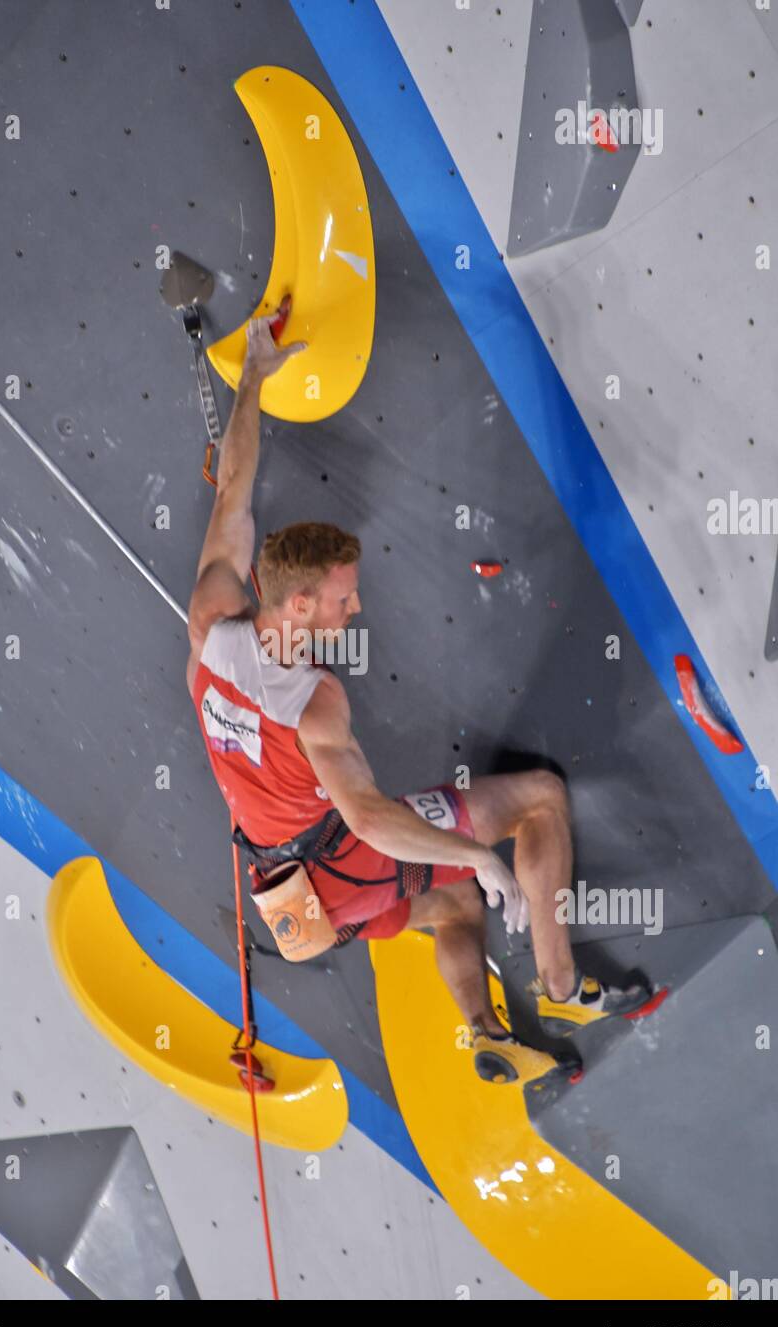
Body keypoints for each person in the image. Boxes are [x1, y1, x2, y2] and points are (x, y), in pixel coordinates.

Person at [187, 300, 648, 1067]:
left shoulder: (211, 619)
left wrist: (254, 381)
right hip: (343, 861)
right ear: (299, 604)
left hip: (298, 902)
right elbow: (368, 818)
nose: (356, 606)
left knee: (453, 909)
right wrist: (476, 854)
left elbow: (232, 487)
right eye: (342, 597)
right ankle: (562, 985)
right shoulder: (313, 702)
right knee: (536, 801)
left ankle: (489, 1035)